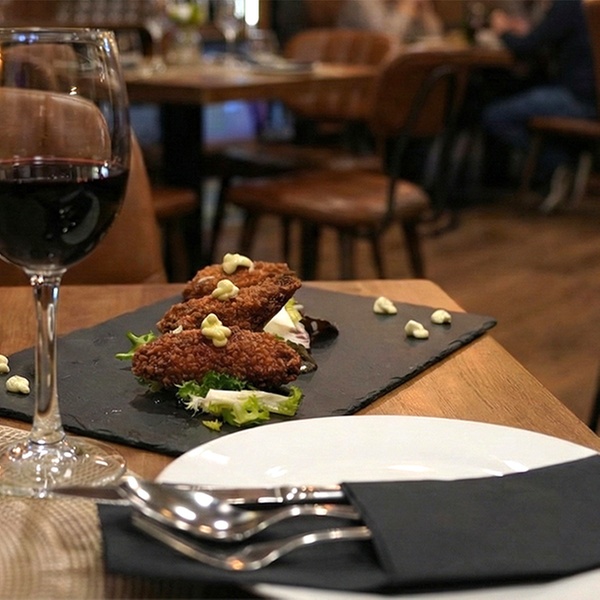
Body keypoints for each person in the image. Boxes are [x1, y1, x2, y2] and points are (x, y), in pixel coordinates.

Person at [481, 0, 597, 212]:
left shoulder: (568, 5)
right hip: (587, 97)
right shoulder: (577, 6)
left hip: (579, 99)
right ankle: (560, 166)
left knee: (495, 115)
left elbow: (525, 47)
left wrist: (502, 30)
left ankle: (559, 164)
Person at [336, 0, 444, 44]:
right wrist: (405, 10)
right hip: (362, 73)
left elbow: (435, 37)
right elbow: (387, 41)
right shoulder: (363, 3)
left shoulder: (399, 4)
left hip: (397, 70)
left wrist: (426, 12)